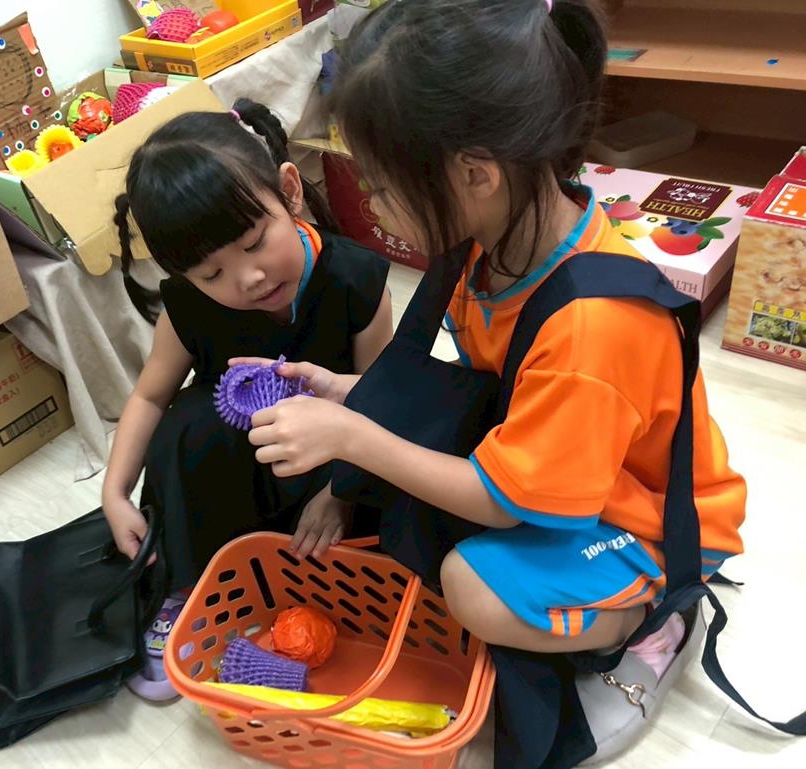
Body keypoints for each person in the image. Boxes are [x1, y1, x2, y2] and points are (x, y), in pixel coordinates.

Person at [246, 0, 746, 758]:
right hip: (575, 470)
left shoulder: (591, 328)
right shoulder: (500, 239)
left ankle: (651, 619)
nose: (372, 207)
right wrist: (349, 395)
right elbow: (478, 388)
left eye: (380, 186)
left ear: (474, 174)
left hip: (645, 524)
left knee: (471, 587)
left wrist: (354, 435)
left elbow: (507, 501)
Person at [102, 98, 393, 592]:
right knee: (187, 422)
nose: (250, 279)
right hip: (238, 472)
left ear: (290, 191)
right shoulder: (191, 303)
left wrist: (338, 495)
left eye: (255, 243)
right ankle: (198, 585)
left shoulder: (355, 281)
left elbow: (379, 407)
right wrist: (115, 493)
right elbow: (150, 396)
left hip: (332, 458)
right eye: (211, 273)